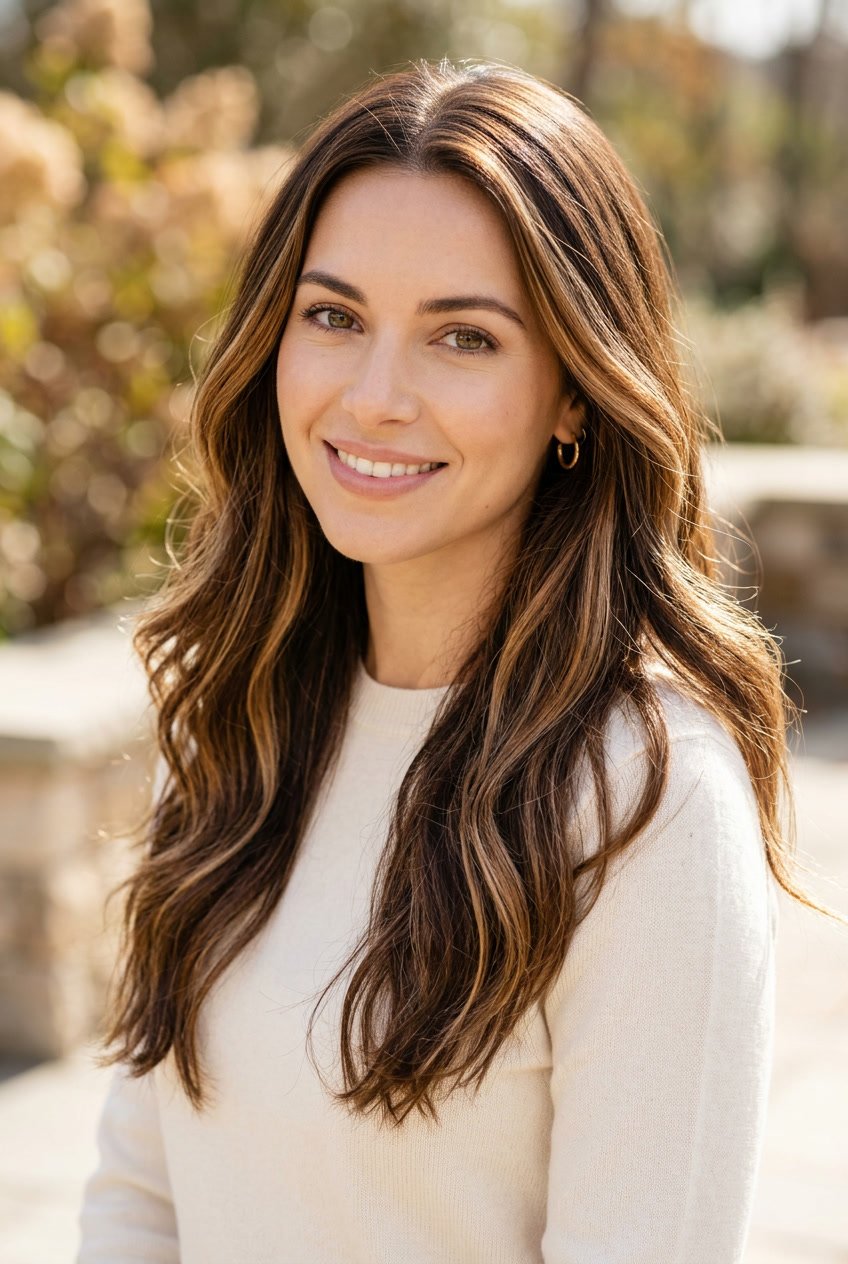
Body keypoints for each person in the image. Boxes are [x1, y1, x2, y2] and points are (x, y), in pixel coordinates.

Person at [76, 56, 832, 1264]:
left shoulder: (647, 804)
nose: (374, 397)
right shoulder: (237, 719)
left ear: (574, 396)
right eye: (332, 317)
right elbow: (140, 1200)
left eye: (462, 339)